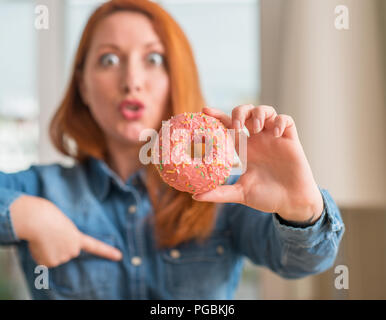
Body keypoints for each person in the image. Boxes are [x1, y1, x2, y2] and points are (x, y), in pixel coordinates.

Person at [0, 0, 344, 300]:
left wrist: (301, 210)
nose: (131, 80)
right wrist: (26, 214)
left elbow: (303, 262)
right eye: (108, 59)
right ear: (83, 87)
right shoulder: (42, 190)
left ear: (175, 78)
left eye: (153, 58)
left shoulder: (227, 196)